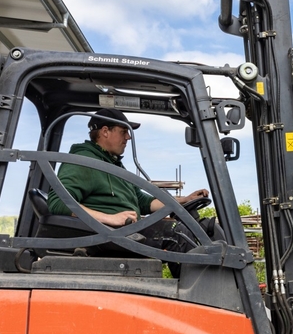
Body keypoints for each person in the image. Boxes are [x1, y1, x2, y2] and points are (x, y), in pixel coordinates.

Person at [46, 108, 212, 265]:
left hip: (126, 231)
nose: (128, 137)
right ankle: (201, 291)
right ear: (105, 132)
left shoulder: (112, 164)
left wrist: (185, 200)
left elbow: (143, 202)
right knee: (178, 234)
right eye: (123, 131)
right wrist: (110, 218)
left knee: (182, 229)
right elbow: (59, 202)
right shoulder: (84, 162)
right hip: (110, 235)